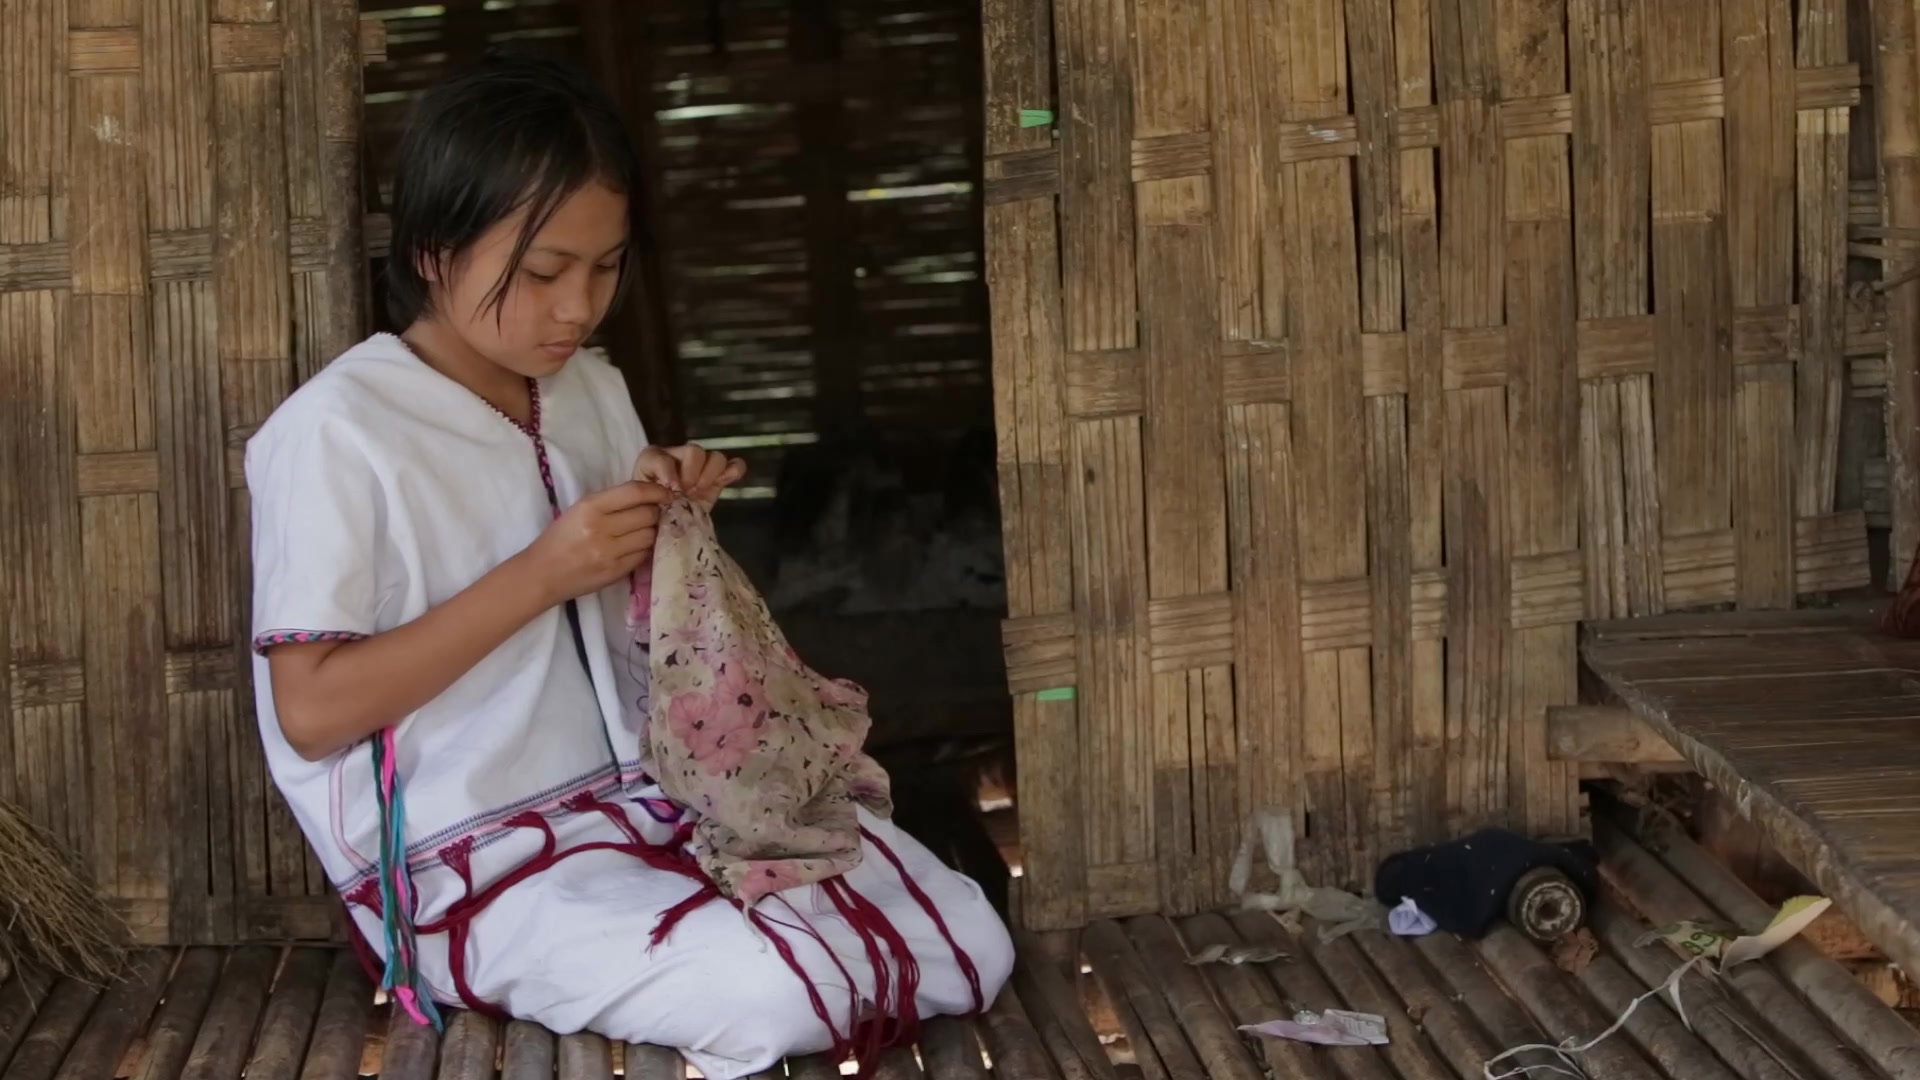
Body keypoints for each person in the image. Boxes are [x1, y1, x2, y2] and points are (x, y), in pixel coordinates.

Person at [245, 50, 1013, 1078]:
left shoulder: (590, 394)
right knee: (773, 993)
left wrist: (662, 513)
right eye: (543, 272)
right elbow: (310, 710)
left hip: (658, 808)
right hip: (475, 866)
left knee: (964, 936)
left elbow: (625, 620)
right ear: (432, 250)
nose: (578, 307)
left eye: (604, 268)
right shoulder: (336, 433)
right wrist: (542, 574)